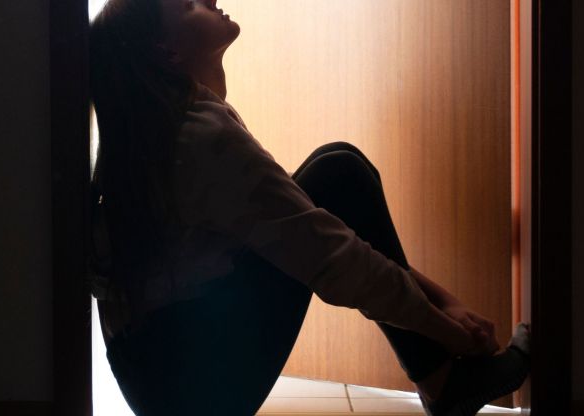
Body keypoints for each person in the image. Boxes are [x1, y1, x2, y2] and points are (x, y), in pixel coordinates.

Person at [87, 0, 531, 415]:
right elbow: (332, 257)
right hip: (188, 390)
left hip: (160, 374)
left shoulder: (174, 128)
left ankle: (443, 380)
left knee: (334, 172)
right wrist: (453, 333)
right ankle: (446, 382)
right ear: (168, 53)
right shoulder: (197, 140)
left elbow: (313, 231)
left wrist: (444, 303)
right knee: (339, 179)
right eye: (188, 4)